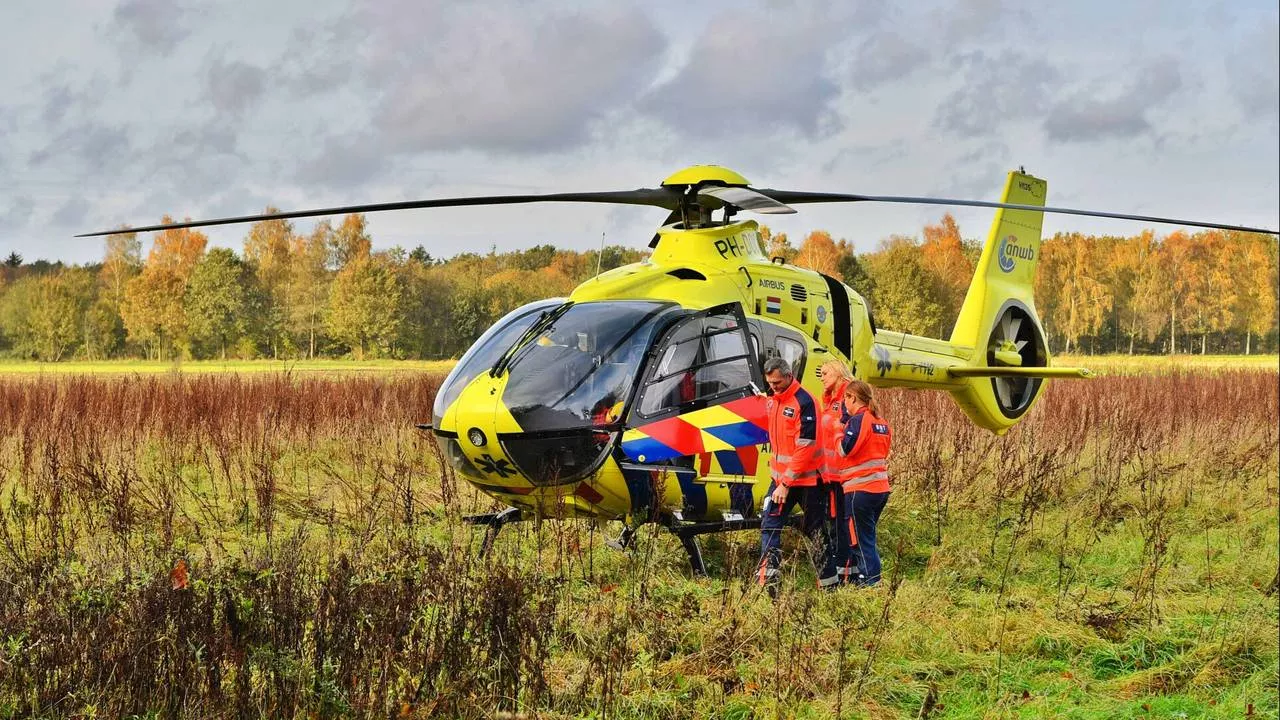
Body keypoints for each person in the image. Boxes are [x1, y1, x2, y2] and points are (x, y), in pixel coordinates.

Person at [756, 357, 837, 591]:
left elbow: (806, 445)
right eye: (770, 383)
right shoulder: (774, 401)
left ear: (790, 376)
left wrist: (786, 484)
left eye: (778, 383)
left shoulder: (805, 401)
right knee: (769, 523)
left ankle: (829, 586)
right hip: (782, 480)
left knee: (815, 531)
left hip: (808, 481)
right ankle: (769, 580)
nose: (774, 387)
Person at [832, 379, 892, 586]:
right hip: (880, 488)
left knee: (859, 539)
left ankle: (871, 582)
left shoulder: (858, 420)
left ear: (852, 398)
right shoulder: (881, 422)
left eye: (845, 399)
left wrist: (838, 429)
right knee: (867, 536)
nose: (844, 405)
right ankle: (867, 578)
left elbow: (844, 450)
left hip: (860, 490)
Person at [817, 360, 856, 586]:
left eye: (825, 372)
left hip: (844, 474)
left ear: (839, 372)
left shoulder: (849, 397)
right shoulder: (829, 399)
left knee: (844, 523)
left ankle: (847, 570)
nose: (822, 376)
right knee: (834, 522)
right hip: (830, 475)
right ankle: (841, 567)